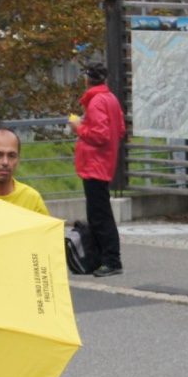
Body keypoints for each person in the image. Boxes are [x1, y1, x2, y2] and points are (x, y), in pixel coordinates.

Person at [69, 62, 126, 278]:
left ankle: (111, 260)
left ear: (87, 79)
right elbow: (120, 130)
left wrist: (79, 128)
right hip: (105, 162)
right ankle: (104, 258)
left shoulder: (96, 101)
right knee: (100, 213)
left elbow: (100, 135)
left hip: (95, 165)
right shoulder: (111, 99)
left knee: (99, 215)